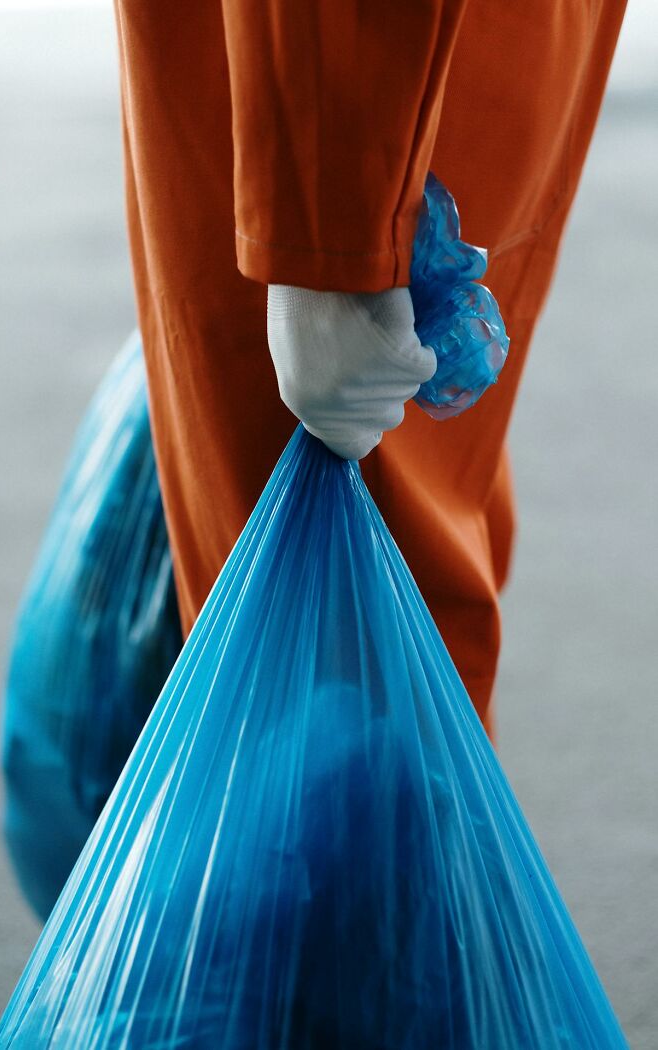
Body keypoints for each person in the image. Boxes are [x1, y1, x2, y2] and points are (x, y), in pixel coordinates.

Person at [112, 0, 626, 743]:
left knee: (331, 671)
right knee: (384, 599)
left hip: (342, 98)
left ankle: (362, 858)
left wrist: (328, 238)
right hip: (380, 78)